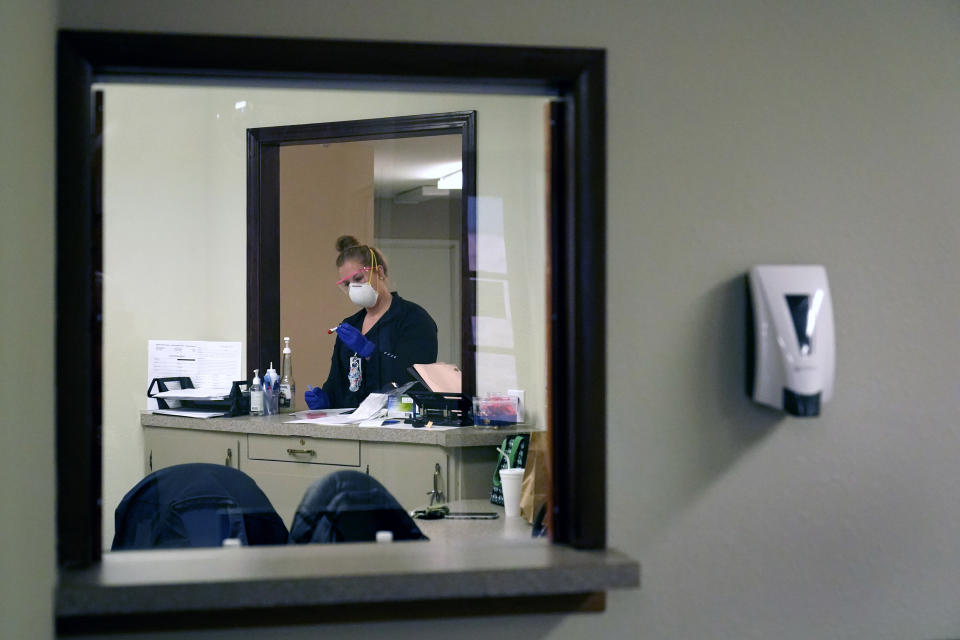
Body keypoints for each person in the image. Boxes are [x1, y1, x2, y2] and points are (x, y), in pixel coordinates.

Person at [304, 235, 438, 409]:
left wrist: (370, 353)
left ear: (379, 272)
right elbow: (337, 382)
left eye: (358, 279)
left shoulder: (413, 319)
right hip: (352, 424)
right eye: (347, 284)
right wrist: (326, 399)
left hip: (398, 422)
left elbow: (414, 379)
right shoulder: (350, 325)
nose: (353, 288)